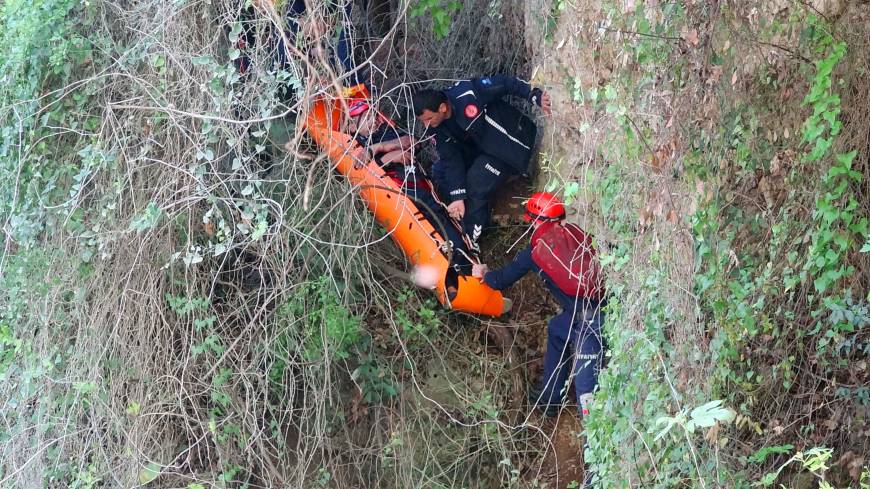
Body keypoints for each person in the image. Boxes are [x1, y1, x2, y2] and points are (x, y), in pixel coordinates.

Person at [472, 192, 605, 418]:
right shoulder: (577, 234)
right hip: (603, 308)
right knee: (557, 329)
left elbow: (500, 280)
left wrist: (484, 273)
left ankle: (593, 445)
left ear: (534, 222)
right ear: (560, 219)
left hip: (589, 323)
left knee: (586, 390)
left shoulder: (534, 253)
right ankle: (550, 398)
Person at [411, 75, 551, 251]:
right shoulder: (437, 128)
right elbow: (450, 159)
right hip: (483, 150)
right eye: (423, 121)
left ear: (442, 107)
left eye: (428, 119)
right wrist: (457, 197)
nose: (426, 125)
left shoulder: (467, 94)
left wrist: (534, 95)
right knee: (441, 172)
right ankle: (455, 219)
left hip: (511, 147)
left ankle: (471, 239)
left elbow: (504, 83)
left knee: (476, 183)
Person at [347, 100, 473, 275]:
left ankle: (467, 265)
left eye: (373, 116)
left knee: (441, 220)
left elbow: (413, 142)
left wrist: (381, 147)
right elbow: (362, 170)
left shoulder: (386, 131)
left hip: (419, 187)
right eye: (367, 118)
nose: (374, 121)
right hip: (397, 195)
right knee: (424, 232)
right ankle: (450, 274)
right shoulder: (354, 145)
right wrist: (390, 157)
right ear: (353, 127)